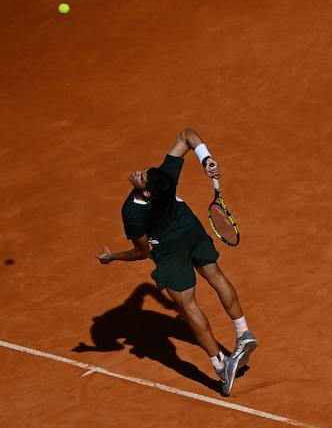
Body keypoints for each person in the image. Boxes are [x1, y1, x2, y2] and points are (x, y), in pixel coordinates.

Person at [96, 127, 257, 396]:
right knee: (216, 276)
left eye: (142, 177)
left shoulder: (133, 212)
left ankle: (221, 366)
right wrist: (207, 159)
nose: (138, 173)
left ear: (146, 193)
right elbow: (187, 136)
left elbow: (141, 252)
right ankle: (244, 332)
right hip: (190, 230)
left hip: (170, 251)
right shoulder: (165, 179)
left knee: (187, 304)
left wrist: (112, 257)